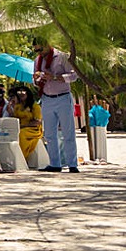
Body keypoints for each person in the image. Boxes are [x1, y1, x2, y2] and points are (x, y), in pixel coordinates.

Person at [32, 40, 81, 172]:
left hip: (63, 97)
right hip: (46, 98)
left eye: (40, 49)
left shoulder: (62, 57)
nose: (39, 53)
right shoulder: (37, 61)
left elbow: (74, 75)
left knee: (68, 132)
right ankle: (55, 164)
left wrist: (53, 77)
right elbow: (34, 81)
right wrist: (37, 79)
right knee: (49, 134)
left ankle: (72, 164)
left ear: (47, 44)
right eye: (36, 50)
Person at [10, 86, 43, 161]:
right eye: (19, 92)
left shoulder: (35, 106)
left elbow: (37, 122)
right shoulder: (17, 106)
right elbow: (15, 118)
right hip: (19, 127)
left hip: (33, 129)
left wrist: (24, 126)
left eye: (23, 92)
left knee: (21, 134)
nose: (21, 94)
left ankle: (22, 157)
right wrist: (10, 109)